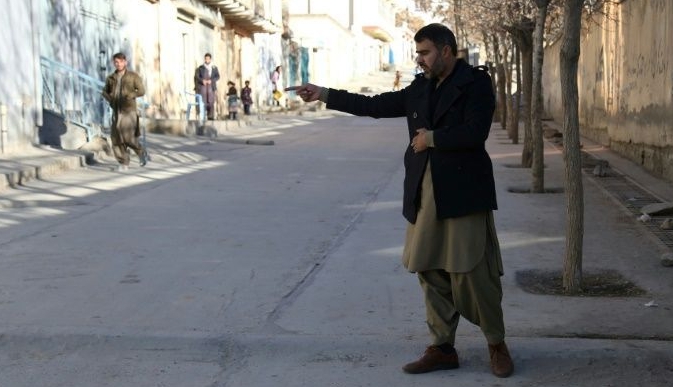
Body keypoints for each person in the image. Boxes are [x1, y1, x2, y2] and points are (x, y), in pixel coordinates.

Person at [286, 23, 513, 379]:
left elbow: (475, 131)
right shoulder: (420, 87)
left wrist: (432, 138)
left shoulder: (476, 83)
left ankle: (496, 344)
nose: (419, 59)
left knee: (472, 271)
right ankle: (442, 347)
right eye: (418, 53)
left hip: (464, 191)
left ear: (446, 51)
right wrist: (325, 93)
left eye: (425, 52)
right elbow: (374, 106)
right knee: (428, 268)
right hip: (425, 190)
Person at [102, 52, 147, 170]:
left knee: (127, 137)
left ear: (125, 62)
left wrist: (130, 95)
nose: (119, 64)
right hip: (116, 111)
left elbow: (141, 91)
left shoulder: (133, 76)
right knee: (116, 138)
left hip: (129, 110)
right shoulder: (110, 78)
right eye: (116, 62)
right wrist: (110, 100)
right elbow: (104, 92)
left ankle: (141, 151)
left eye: (121, 61)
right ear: (114, 63)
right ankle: (123, 163)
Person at [196, 53, 220, 120]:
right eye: (206, 59)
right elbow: (197, 77)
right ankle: (203, 116)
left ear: (210, 59)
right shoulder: (201, 68)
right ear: (204, 59)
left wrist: (211, 81)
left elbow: (217, 76)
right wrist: (202, 81)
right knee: (203, 101)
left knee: (211, 101)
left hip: (211, 87)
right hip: (203, 88)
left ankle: (211, 116)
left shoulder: (214, 67)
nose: (207, 60)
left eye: (208, 59)